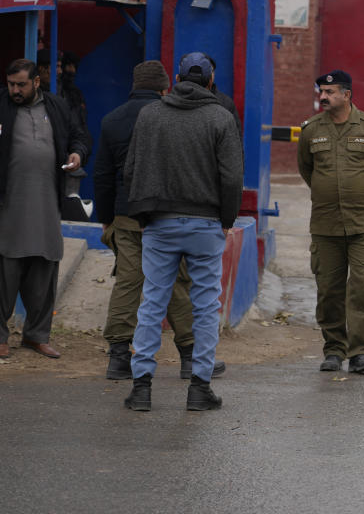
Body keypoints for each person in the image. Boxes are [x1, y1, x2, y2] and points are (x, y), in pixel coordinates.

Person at [122, 52, 243, 411]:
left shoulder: (150, 114)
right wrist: (227, 218)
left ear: (176, 78)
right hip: (206, 224)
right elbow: (232, 176)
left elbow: (131, 169)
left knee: (152, 304)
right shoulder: (220, 117)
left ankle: (141, 388)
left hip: (160, 222)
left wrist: (143, 215)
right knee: (206, 307)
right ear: (209, 81)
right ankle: (199, 388)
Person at [94, 60, 226, 380]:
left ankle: (118, 357)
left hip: (126, 215)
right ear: (165, 86)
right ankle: (190, 356)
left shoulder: (112, 120)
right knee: (177, 283)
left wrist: (107, 219)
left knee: (129, 281)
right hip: (167, 213)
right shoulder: (173, 114)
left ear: (133, 85)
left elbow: (103, 175)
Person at [297, 70, 364, 374]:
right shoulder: (311, 130)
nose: (323, 97)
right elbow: (306, 169)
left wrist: (362, 193)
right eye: (321, 92)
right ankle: (334, 350)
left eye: (330, 91)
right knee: (328, 290)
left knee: (362, 288)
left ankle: (360, 352)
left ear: (347, 94)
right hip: (326, 225)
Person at [0, 59, 88, 359]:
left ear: (36, 82)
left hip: (48, 204)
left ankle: (36, 335)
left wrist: (77, 153)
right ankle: (0, 337)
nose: (15, 90)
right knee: (5, 271)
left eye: (21, 84)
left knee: (44, 270)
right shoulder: (1, 105)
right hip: (8, 206)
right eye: (11, 84)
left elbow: (79, 136)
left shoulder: (58, 106)